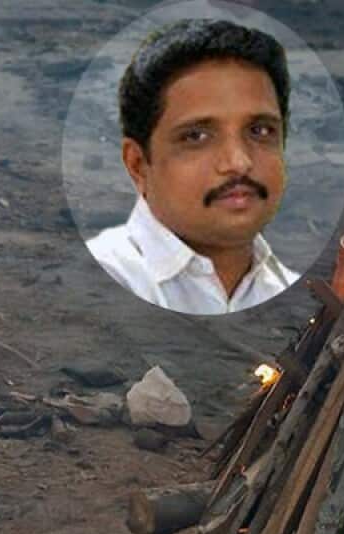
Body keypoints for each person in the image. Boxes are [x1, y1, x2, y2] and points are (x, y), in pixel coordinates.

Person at [86, 18, 299, 315]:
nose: (239, 162)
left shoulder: (290, 295)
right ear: (137, 164)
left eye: (260, 131)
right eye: (196, 136)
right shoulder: (101, 284)